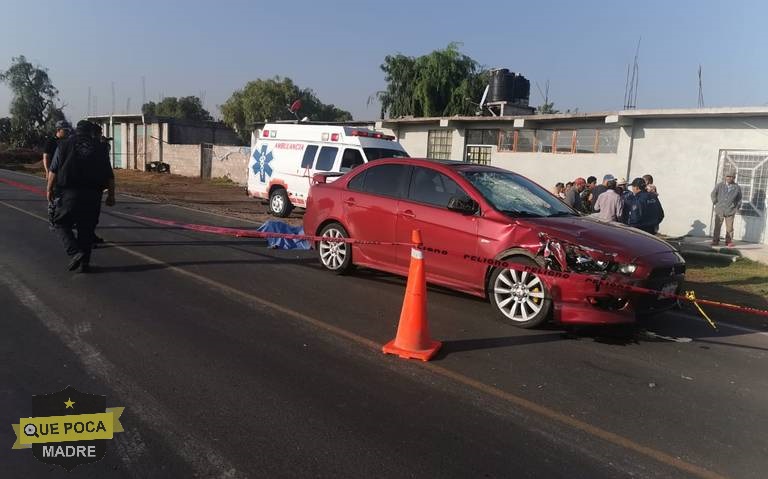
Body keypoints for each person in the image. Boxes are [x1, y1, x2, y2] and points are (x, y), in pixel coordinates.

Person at [47, 120, 115, 272]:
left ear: (76, 131)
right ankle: (85, 263)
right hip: (93, 194)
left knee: (60, 223)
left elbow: (54, 169)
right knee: (87, 228)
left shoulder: (63, 145)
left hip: (70, 193)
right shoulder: (100, 147)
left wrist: (49, 189)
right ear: (91, 132)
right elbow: (109, 174)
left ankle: (75, 252)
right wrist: (111, 195)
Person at [44, 120, 71, 226]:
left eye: (68, 130)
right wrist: (48, 171)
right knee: (54, 197)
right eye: (65, 130)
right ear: (58, 130)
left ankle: (64, 217)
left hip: (65, 174)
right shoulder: (52, 141)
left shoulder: (68, 142)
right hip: (54, 172)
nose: (67, 132)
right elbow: (46, 156)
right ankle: (52, 217)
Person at [710, 169, 742, 246]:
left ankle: (729, 241)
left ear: (734, 178)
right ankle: (715, 240)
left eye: (732, 177)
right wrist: (716, 202)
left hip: (730, 211)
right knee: (717, 226)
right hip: (720, 210)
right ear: (725, 177)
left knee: (730, 228)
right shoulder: (719, 185)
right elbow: (713, 194)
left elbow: (739, 199)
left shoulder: (737, 187)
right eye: (728, 176)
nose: (729, 178)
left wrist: (736, 207)